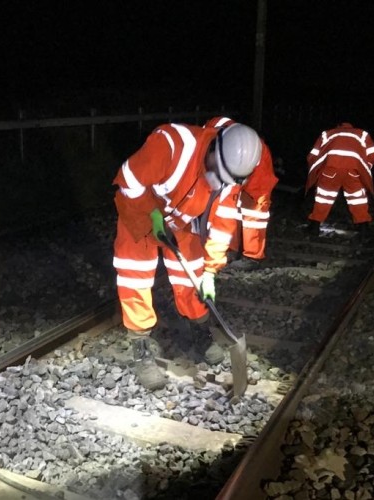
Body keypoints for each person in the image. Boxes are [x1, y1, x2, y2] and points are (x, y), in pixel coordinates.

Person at [112, 120, 262, 390]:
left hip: (182, 219)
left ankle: (201, 331)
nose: (218, 180)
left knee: (190, 274)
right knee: (135, 277)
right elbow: (129, 180)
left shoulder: (232, 175)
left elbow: (222, 224)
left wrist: (210, 272)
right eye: (217, 171)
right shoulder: (171, 144)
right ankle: (141, 346)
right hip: (140, 211)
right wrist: (152, 214)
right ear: (215, 148)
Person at [204, 117, 279, 271]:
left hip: (259, 180)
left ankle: (253, 256)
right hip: (243, 168)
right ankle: (231, 250)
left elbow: (224, 211)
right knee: (232, 213)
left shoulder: (234, 147)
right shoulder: (218, 136)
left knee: (253, 216)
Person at [305, 122, 374, 233]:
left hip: (330, 169)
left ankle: (315, 226)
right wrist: (364, 167)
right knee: (357, 198)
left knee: (324, 197)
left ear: (338, 127)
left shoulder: (327, 133)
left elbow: (313, 155)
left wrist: (317, 170)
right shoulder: (362, 134)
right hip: (353, 169)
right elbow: (373, 155)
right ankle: (363, 226)